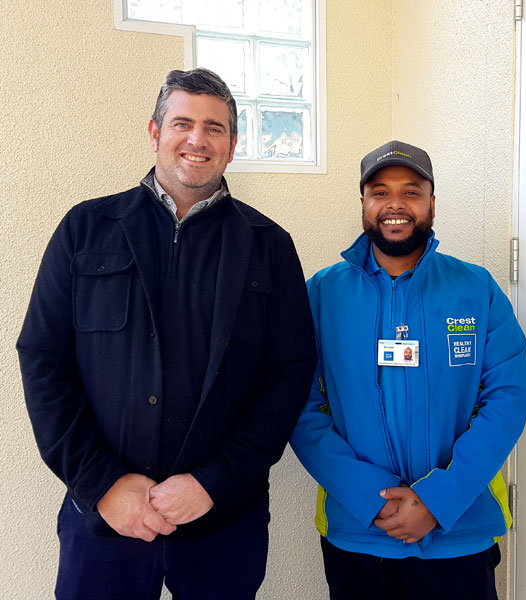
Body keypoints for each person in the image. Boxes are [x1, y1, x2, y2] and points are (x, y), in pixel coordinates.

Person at [17, 68, 316, 600]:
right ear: (155, 132)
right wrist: (102, 484)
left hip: (223, 520)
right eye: (182, 123)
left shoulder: (269, 245)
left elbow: (289, 375)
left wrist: (214, 483)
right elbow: (43, 359)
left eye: (214, 128)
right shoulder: (85, 230)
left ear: (233, 144)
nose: (197, 139)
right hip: (104, 519)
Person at [290, 140, 526, 600]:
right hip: (359, 532)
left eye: (412, 191)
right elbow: (298, 404)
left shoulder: (475, 287)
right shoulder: (320, 295)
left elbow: (508, 395)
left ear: (432, 203)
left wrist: (438, 500)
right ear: (363, 204)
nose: (395, 204)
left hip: (460, 529)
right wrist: (368, 497)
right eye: (380, 192)